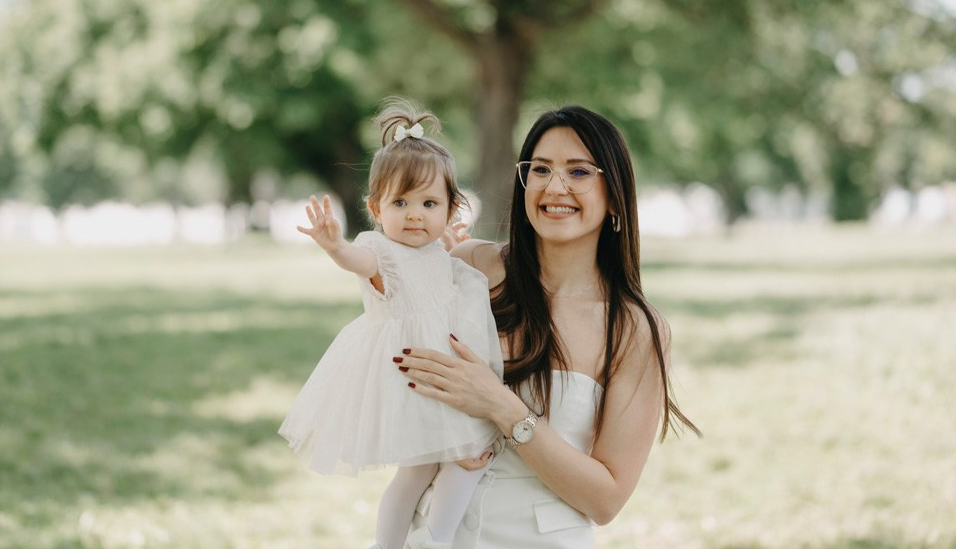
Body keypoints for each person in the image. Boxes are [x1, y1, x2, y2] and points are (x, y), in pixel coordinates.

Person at [395, 105, 700, 549]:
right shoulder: (470, 266)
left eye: (578, 172)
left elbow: (607, 500)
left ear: (614, 195)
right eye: (540, 169)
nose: (555, 186)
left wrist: (502, 406)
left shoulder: (634, 329)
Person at [278, 99, 506, 549]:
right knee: (431, 467)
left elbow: (442, 273)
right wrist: (333, 246)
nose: (415, 214)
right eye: (400, 202)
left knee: (465, 459)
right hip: (417, 382)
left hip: (453, 376)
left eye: (429, 203)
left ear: (450, 208)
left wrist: (448, 241)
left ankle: (433, 539)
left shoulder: (438, 249)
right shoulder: (381, 253)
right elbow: (357, 261)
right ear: (376, 209)